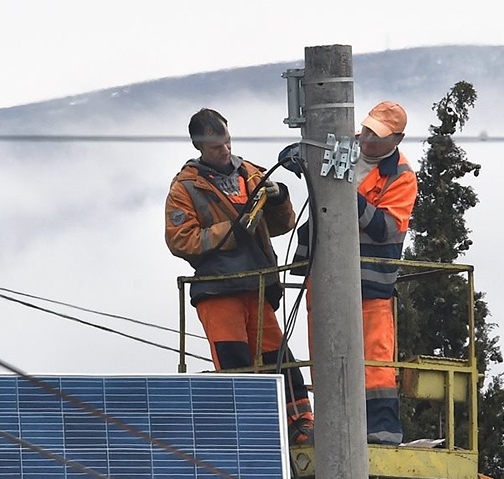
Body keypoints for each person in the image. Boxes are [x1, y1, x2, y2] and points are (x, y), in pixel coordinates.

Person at [165, 108, 314, 445]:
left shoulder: (251, 173)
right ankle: (251, 431)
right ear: (200, 145)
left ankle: (301, 423)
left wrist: (279, 198)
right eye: (218, 146)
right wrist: (229, 232)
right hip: (218, 291)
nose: (226, 150)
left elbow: (281, 225)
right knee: (235, 362)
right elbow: (180, 239)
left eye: (228, 142)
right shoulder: (186, 187)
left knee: (278, 357)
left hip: (257, 284)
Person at [292, 100, 418, 445]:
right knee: (326, 356)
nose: (366, 139)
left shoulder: (401, 177)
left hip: (371, 284)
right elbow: (319, 204)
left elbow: (384, 227)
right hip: (327, 279)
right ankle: (332, 428)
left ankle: (379, 432)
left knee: (375, 365)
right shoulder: (344, 146)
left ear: (397, 139)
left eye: (376, 136)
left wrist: (345, 195)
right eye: (365, 130)